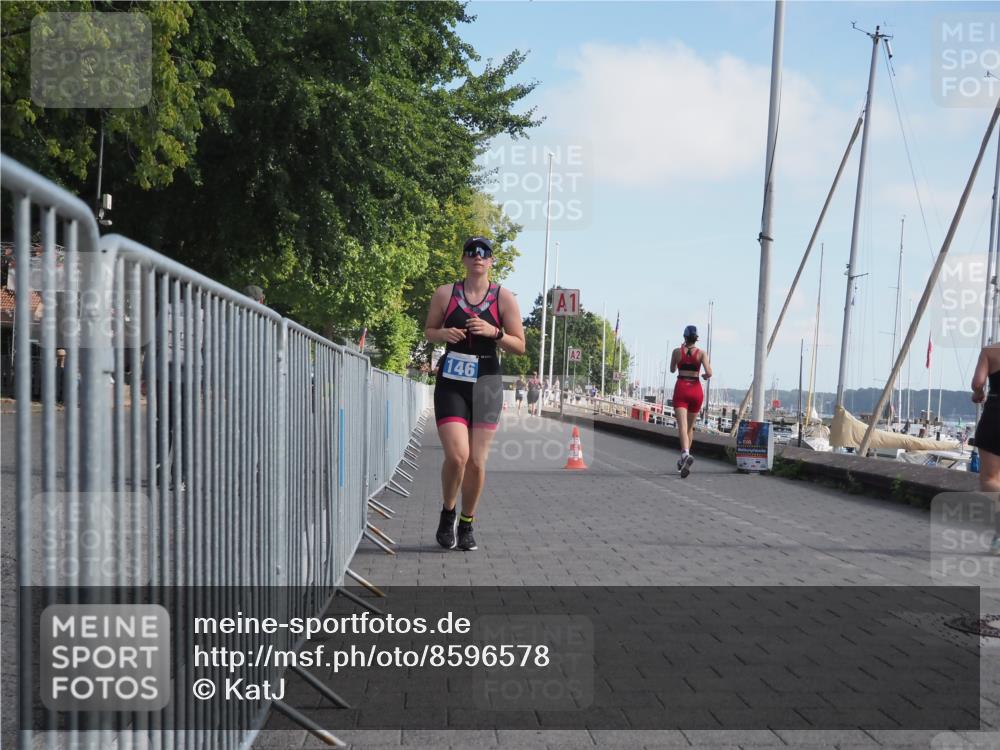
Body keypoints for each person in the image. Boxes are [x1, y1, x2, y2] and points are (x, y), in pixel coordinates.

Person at [424, 237, 525, 551]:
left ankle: (467, 522)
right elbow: (429, 331)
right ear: (464, 259)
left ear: (491, 261)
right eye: (471, 252)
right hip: (452, 381)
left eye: (484, 253)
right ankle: (447, 512)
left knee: (477, 462)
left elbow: (520, 346)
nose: (477, 257)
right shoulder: (445, 293)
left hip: (487, 383)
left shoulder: (503, 298)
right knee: (457, 457)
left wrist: (494, 333)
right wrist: (443, 334)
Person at [670, 325, 712, 478]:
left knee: (682, 426)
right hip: (696, 390)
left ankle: (685, 455)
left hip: (681, 388)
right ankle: (684, 459)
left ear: (684, 337)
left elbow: (672, 370)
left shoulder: (676, 352)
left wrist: (678, 360)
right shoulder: (701, 354)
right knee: (690, 427)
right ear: (696, 338)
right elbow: (709, 372)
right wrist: (705, 376)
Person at [971, 342, 1000, 555]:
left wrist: (979, 393)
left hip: (995, 416)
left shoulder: (990, 351)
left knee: (990, 479)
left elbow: (978, 382)